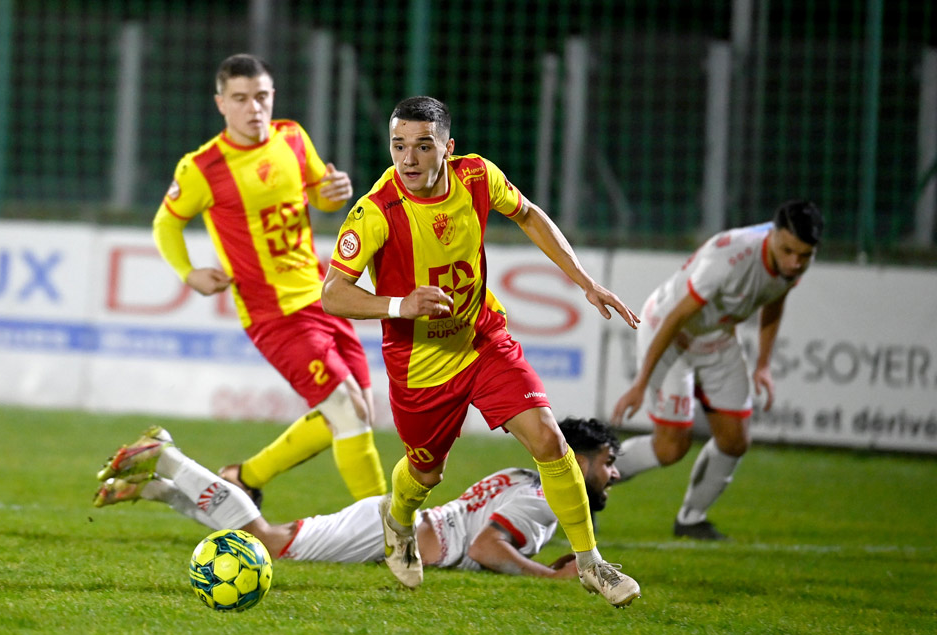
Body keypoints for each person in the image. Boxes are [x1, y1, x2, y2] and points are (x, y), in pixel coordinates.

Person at [319, 96, 641, 606]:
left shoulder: (477, 177)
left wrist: (586, 282)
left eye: (423, 147)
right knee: (425, 473)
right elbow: (332, 293)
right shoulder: (376, 211)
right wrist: (401, 305)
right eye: (398, 146)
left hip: (482, 338)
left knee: (550, 442)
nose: (408, 159)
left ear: (448, 147)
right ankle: (398, 521)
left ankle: (591, 564)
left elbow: (530, 215)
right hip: (420, 364)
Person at [151, 53, 385, 506]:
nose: (253, 108)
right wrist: (189, 272)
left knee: (359, 415)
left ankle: (245, 476)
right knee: (347, 412)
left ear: (272, 96)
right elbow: (165, 223)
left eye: (261, 97)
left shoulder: (293, 137)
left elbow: (320, 191)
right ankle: (384, 530)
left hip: (324, 296)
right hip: (272, 313)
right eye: (240, 99)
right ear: (221, 103)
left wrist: (334, 194)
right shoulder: (202, 168)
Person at [94, 418, 624, 583]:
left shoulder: (521, 476)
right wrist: (547, 576)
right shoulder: (546, 500)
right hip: (399, 531)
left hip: (397, 523)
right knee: (269, 544)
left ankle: (158, 488)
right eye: (605, 461)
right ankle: (166, 458)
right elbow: (486, 546)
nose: (614, 472)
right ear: (576, 460)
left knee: (267, 536)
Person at [610, 200, 824, 540]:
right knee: (670, 448)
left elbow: (775, 299)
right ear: (772, 235)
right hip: (672, 334)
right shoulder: (728, 260)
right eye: (788, 251)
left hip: (717, 337)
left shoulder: (792, 261)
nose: (794, 263)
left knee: (735, 440)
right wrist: (641, 382)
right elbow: (677, 316)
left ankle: (691, 519)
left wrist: (764, 365)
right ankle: (579, 483)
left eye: (804, 256)